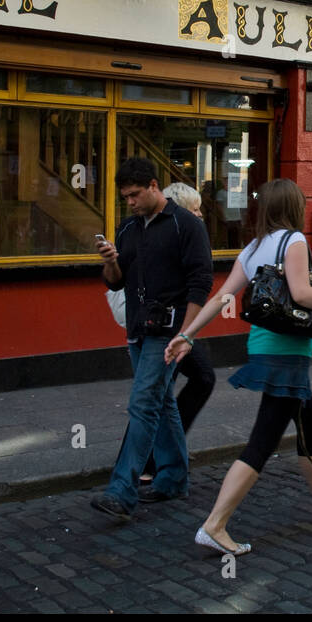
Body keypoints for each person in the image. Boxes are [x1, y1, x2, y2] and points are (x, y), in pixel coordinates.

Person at [164, 179, 312, 556]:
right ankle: (215, 525)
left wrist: (188, 335)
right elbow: (301, 294)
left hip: (265, 347)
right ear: (294, 207)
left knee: (309, 420)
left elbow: (221, 297)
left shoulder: (253, 247)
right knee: (263, 441)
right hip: (286, 353)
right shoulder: (294, 240)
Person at [91, 157, 214, 522]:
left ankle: (122, 490)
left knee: (143, 403)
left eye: (134, 195)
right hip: (137, 331)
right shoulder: (128, 230)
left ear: (154, 186)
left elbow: (200, 283)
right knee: (161, 405)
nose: (129, 202)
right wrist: (110, 261)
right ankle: (174, 478)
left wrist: (187, 334)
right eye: (125, 197)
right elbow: (115, 282)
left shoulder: (186, 225)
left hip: (168, 332)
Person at [133, 183, 219, 487]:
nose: (199, 214)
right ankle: (146, 462)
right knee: (157, 393)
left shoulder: (188, 230)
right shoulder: (171, 232)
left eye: (199, 208)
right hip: (169, 327)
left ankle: (159, 457)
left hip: (182, 324)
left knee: (170, 389)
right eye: (192, 209)